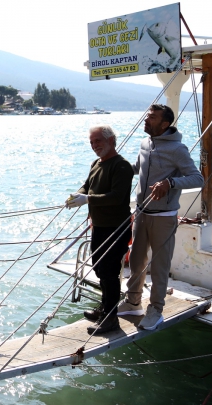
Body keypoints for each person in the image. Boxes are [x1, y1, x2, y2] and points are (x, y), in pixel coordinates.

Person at [117, 104, 204, 330]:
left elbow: (198, 179)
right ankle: (133, 301)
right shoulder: (145, 143)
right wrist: (113, 166)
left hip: (164, 217)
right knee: (136, 261)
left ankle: (156, 310)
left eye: (152, 118)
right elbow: (138, 168)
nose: (146, 120)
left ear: (165, 124)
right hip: (141, 213)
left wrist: (170, 183)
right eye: (147, 116)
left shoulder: (178, 149)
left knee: (159, 266)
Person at [66, 125, 133, 334]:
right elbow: (87, 185)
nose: (95, 146)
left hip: (116, 228)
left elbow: (116, 197)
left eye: (98, 141)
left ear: (111, 140)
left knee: (109, 272)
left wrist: (87, 199)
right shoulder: (96, 163)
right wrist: (77, 196)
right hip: (99, 227)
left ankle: (110, 318)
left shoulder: (122, 166)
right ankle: (106, 308)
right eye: (92, 142)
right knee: (99, 269)